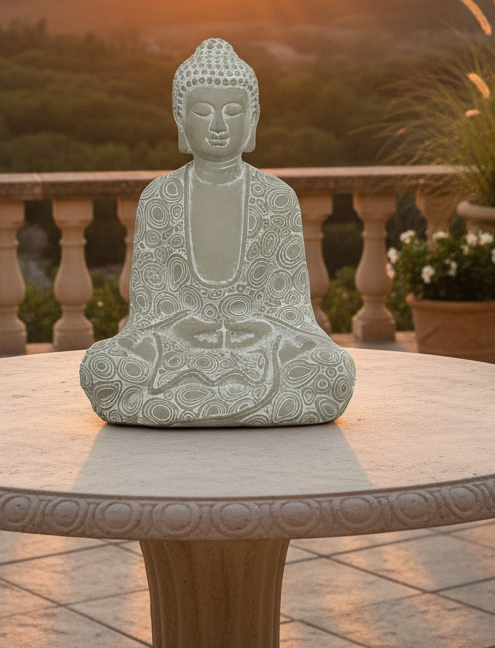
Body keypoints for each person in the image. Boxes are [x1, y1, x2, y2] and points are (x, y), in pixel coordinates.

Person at [79, 38, 356, 427]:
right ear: (180, 120)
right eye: (203, 111)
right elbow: (147, 313)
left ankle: (185, 411)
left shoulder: (277, 198)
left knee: (332, 371)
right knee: (104, 368)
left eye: (233, 111)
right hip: (177, 349)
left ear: (253, 120)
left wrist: (256, 328)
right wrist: (185, 328)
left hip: (259, 346)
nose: (220, 126)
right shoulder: (160, 198)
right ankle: (248, 407)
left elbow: (290, 308)